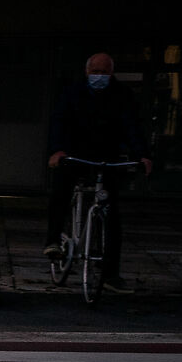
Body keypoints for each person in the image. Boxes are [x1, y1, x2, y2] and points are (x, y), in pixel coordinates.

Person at [45, 51, 153, 291]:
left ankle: (110, 272)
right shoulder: (72, 93)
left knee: (111, 212)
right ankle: (53, 240)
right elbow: (59, 122)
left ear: (112, 73)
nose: (99, 76)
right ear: (87, 71)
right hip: (74, 154)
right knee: (61, 192)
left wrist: (142, 155)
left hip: (106, 156)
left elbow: (132, 126)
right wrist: (57, 150)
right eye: (95, 71)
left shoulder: (122, 96)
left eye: (104, 72)